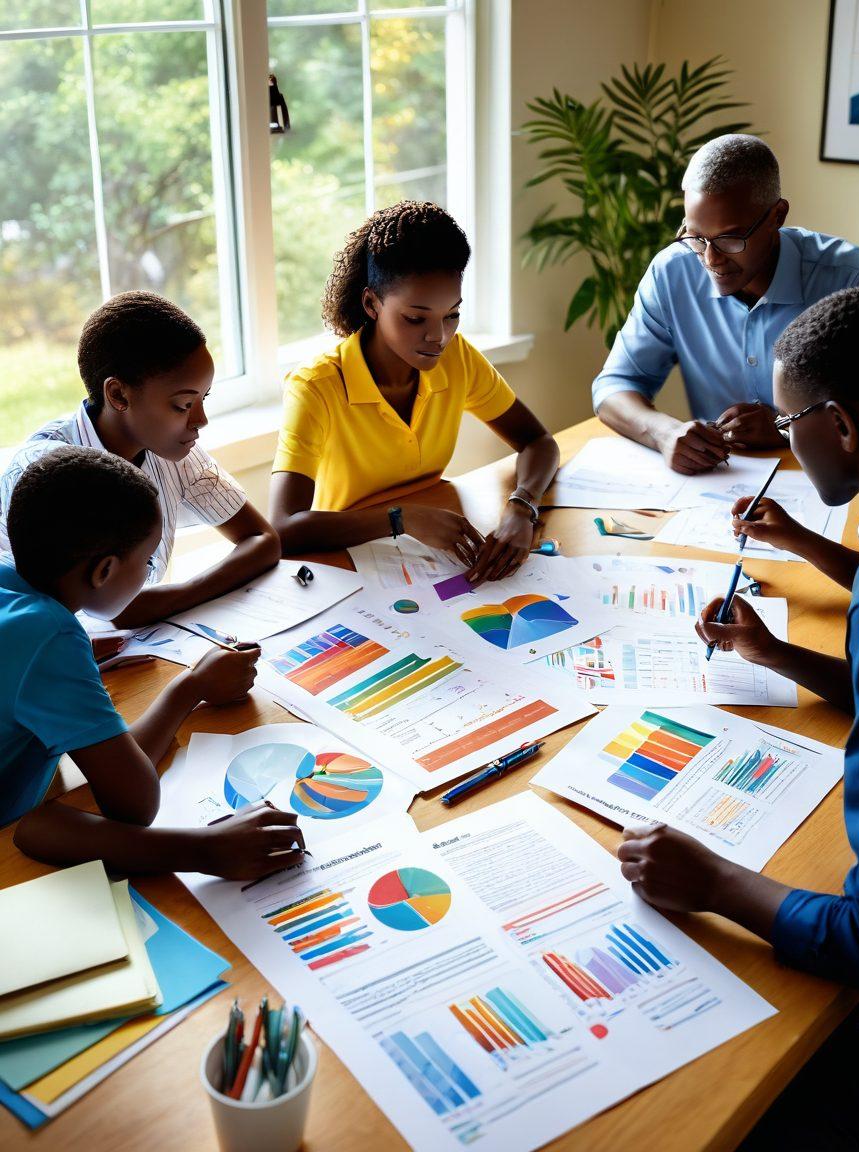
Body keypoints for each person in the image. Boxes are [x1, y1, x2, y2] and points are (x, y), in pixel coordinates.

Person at [619, 287, 859, 1145]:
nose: (781, 441)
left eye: (787, 423)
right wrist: (776, 655)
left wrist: (715, 883)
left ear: (840, 426)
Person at [2, 446, 303, 880]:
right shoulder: (49, 635)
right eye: (147, 561)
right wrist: (190, 686)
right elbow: (134, 804)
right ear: (103, 571)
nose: (148, 571)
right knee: (47, 828)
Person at [269, 201, 560, 584]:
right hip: (347, 567)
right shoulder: (316, 386)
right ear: (371, 303)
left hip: (430, 561)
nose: (438, 336)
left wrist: (522, 507)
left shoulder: (457, 358)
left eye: (451, 315)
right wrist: (399, 518)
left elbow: (538, 441)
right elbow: (283, 528)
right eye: (415, 318)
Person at [592, 134, 859, 475]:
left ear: (777, 216)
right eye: (695, 236)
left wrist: (786, 428)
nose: (711, 259)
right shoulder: (672, 273)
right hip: (718, 482)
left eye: (730, 238)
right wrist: (665, 433)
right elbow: (614, 386)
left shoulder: (849, 278)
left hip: (832, 482)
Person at [0, 291, 281, 629]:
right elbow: (112, 611)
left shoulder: (170, 449)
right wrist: (164, 604)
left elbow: (263, 539)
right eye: (183, 405)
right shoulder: (47, 476)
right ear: (119, 395)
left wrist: (176, 597)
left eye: (203, 399)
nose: (201, 420)